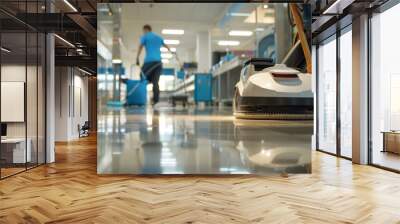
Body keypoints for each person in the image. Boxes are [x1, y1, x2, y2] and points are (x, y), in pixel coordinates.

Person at [136, 24, 174, 105]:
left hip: (149, 61)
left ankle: (141, 98)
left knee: (142, 76)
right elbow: (166, 45)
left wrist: (137, 57)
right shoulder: (158, 37)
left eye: (143, 31)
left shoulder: (145, 36)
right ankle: (155, 100)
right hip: (159, 63)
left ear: (146, 30)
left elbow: (140, 47)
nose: (143, 32)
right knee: (155, 81)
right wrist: (171, 51)